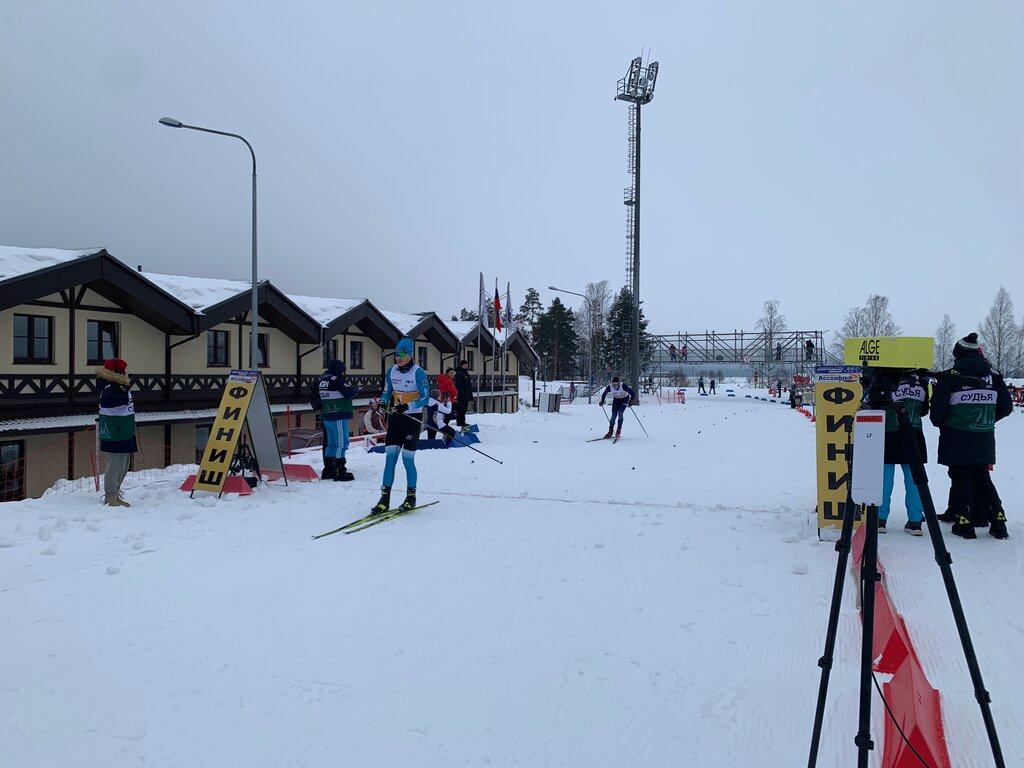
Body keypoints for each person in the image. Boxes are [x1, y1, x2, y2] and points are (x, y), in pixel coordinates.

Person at [929, 333, 1013, 539]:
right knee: (983, 477)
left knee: (961, 477)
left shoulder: (951, 375)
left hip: (956, 435)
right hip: (984, 436)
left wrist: (946, 423)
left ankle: (964, 522)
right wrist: (985, 420)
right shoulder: (994, 375)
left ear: (958, 354)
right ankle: (998, 519)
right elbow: (1006, 407)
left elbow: (937, 412)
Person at [372, 338, 430, 514]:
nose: (398, 358)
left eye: (402, 354)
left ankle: (410, 497)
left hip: (412, 419)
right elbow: (386, 391)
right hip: (396, 419)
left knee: (407, 459)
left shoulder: (418, 373)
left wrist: (408, 405)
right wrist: (382, 403)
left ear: (410, 354)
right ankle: (384, 499)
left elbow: (425, 398)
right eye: (396, 355)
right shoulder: (391, 371)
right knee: (390, 459)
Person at [877, 373, 929, 535]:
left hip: (889, 430)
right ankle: (915, 521)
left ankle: (880, 519)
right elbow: (924, 410)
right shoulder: (921, 379)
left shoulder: (885, 375)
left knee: (884, 474)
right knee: (914, 475)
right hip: (913, 430)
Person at [97, 358, 137, 507]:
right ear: (118, 372)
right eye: (124, 369)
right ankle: (111, 496)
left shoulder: (119, 385)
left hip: (123, 430)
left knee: (123, 464)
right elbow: (107, 401)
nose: (127, 372)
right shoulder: (110, 387)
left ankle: (115, 492)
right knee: (116, 464)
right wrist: (125, 398)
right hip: (116, 431)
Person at [318, 360, 360, 481]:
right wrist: (356, 389)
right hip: (338, 415)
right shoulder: (338, 380)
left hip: (326, 415)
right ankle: (340, 471)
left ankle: (328, 470)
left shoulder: (323, 380)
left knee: (331, 444)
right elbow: (349, 393)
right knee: (342, 443)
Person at [453, 358, 474, 432]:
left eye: (467, 365)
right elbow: (459, 385)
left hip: (466, 394)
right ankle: (460, 422)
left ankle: (462, 421)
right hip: (462, 395)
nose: (466, 366)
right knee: (461, 409)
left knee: (464, 409)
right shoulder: (459, 373)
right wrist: (462, 394)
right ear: (462, 365)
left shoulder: (465, 373)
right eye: (465, 365)